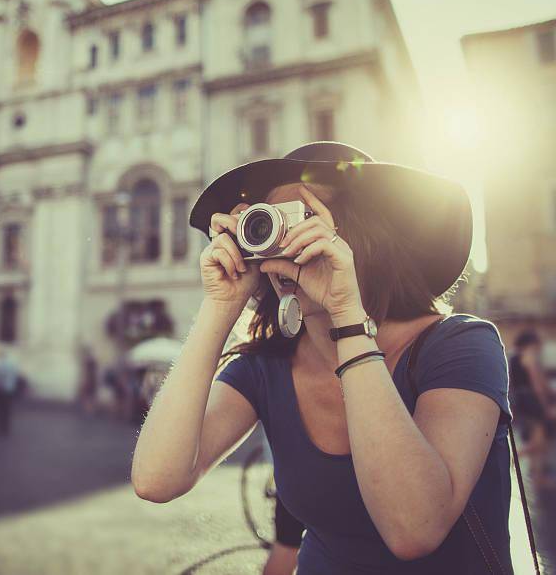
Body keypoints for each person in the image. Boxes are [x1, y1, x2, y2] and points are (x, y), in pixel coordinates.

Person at [132, 142, 516, 574]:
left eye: (304, 220)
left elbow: (414, 529)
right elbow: (156, 479)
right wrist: (220, 306)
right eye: (268, 224)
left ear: (361, 238)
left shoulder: (460, 345)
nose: (286, 241)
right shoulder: (266, 368)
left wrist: (346, 316)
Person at [509, 330, 556, 490]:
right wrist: (545, 406)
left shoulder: (514, 357)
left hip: (522, 400)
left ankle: (538, 477)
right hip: (532, 401)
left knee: (540, 442)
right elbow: (537, 384)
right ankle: (510, 460)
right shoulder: (529, 356)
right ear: (531, 343)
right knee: (539, 443)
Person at [0, 349, 19, 436]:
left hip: (1, 390)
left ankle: (1, 427)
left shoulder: (0, 365)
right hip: (10, 389)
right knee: (7, 409)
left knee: (0, 409)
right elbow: (15, 377)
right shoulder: (12, 365)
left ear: (0, 356)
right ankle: (5, 427)